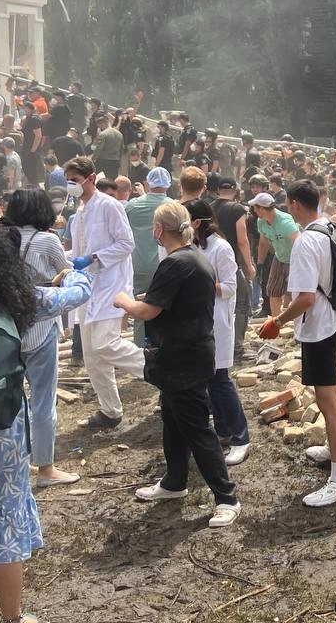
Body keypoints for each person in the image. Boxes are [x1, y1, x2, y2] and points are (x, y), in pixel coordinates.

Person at [0, 221, 91, 623]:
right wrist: (76, 269)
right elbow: (78, 293)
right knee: (5, 528)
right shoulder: (21, 299)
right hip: (3, 430)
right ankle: (12, 617)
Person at [116, 203, 241, 528]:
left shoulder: (176, 262)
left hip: (185, 357)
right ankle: (174, 482)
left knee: (198, 428)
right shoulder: (195, 256)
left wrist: (124, 301)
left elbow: (148, 311)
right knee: (172, 420)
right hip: (186, 353)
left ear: (159, 230)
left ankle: (227, 498)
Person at [260, 181, 336, 507]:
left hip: (319, 327)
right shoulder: (331, 227)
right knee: (331, 393)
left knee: (326, 398)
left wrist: (277, 321)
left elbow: (305, 299)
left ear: (295, 204)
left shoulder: (304, 242)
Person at [6, 188, 83, 488]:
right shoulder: (48, 240)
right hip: (41, 327)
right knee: (43, 398)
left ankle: (15, 462)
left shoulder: (2, 240)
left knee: (12, 397)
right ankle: (46, 468)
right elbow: (67, 274)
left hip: (9, 328)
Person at [64, 156, 143, 429]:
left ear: (91, 178)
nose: (71, 186)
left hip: (111, 285)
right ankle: (110, 411)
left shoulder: (109, 206)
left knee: (105, 344)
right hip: (86, 288)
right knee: (91, 355)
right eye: (68, 181)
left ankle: (160, 370)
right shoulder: (78, 215)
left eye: (75, 180)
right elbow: (77, 253)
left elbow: (126, 244)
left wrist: (95, 258)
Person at [186, 200, 251, 467]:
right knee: (211, 379)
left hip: (218, 320)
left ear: (197, 223)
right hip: (200, 320)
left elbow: (230, 287)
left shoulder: (221, 248)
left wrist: (200, 283)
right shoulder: (194, 247)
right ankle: (223, 431)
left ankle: (241, 437)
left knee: (221, 380)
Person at [125, 168, 174, 346]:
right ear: (169, 184)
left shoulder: (133, 206)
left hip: (140, 264)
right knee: (167, 308)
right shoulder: (174, 207)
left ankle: (140, 353)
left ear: (147, 183)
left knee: (140, 310)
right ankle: (163, 348)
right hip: (168, 265)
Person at [212, 180, 256, 361]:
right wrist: (250, 265)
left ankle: (217, 344)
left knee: (217, 303)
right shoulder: (238, 209)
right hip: (232, 261)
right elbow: (242, 240)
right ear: (236, 191)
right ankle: (237, 347)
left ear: (218, 190)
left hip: (212, 259)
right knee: (242, 303)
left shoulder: (209, 207)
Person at [250, 191, 300, 320]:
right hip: (279, 257)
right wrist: (260, 264)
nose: (254, 211)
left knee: (295, 292)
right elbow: (263, 243)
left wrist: (298, 264)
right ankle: (275, 321)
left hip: (294, 259)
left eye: (255, 208)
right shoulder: (261, 222)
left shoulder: (285, 222)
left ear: (262, 208)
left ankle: (295, 323)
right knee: (273, 290)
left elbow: (299, 242)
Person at [90, 114, 123, 180]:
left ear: (102, 124)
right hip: (115, 160)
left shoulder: (103, 134)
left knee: (91, 177)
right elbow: (121, 149)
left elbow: (99, 149)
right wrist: (119, 161)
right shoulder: (120, 134)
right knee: (112, 180)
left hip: (103, 160)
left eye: (99, 126)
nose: (100, 128)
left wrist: (93, 159)